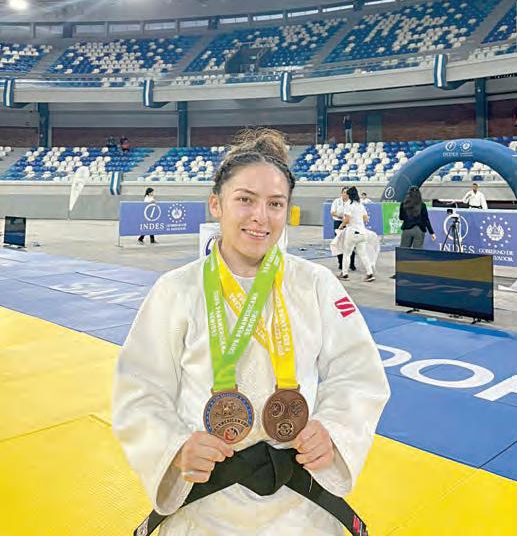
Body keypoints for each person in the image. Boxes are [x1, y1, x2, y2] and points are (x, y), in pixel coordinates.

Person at [112, 129, 389, 536]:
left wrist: (333, 429)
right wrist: (175, 447)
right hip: (206, 504)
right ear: (216, 204)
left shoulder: (315, 284)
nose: (261, 216)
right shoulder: (177, 289)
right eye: (245, 199)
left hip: (301, 505)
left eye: (275, 204)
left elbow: (359, 373)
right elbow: (139, 388)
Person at [338, 186, 375, 282]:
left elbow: (347, 220)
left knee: (347, 254)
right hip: (362, 233)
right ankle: (370, 273)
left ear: (349, 195)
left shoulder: (348, 205)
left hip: (352, 232)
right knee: (363, 254)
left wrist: (341, 226)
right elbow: (366, 219)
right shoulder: (360, 205)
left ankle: (345, 274)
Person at [330, 188, 356, 273]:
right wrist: (341, 217)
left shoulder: (352, 202)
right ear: (341, 193)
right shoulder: (336, 201)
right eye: (344, 192)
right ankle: (341, 263)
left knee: (350, 243)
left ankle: (352, 263)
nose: (345, 194)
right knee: (339, 243)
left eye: (347, 193)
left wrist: (346, 219)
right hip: (338, 222)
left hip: (349, 223)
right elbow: (333, 212)